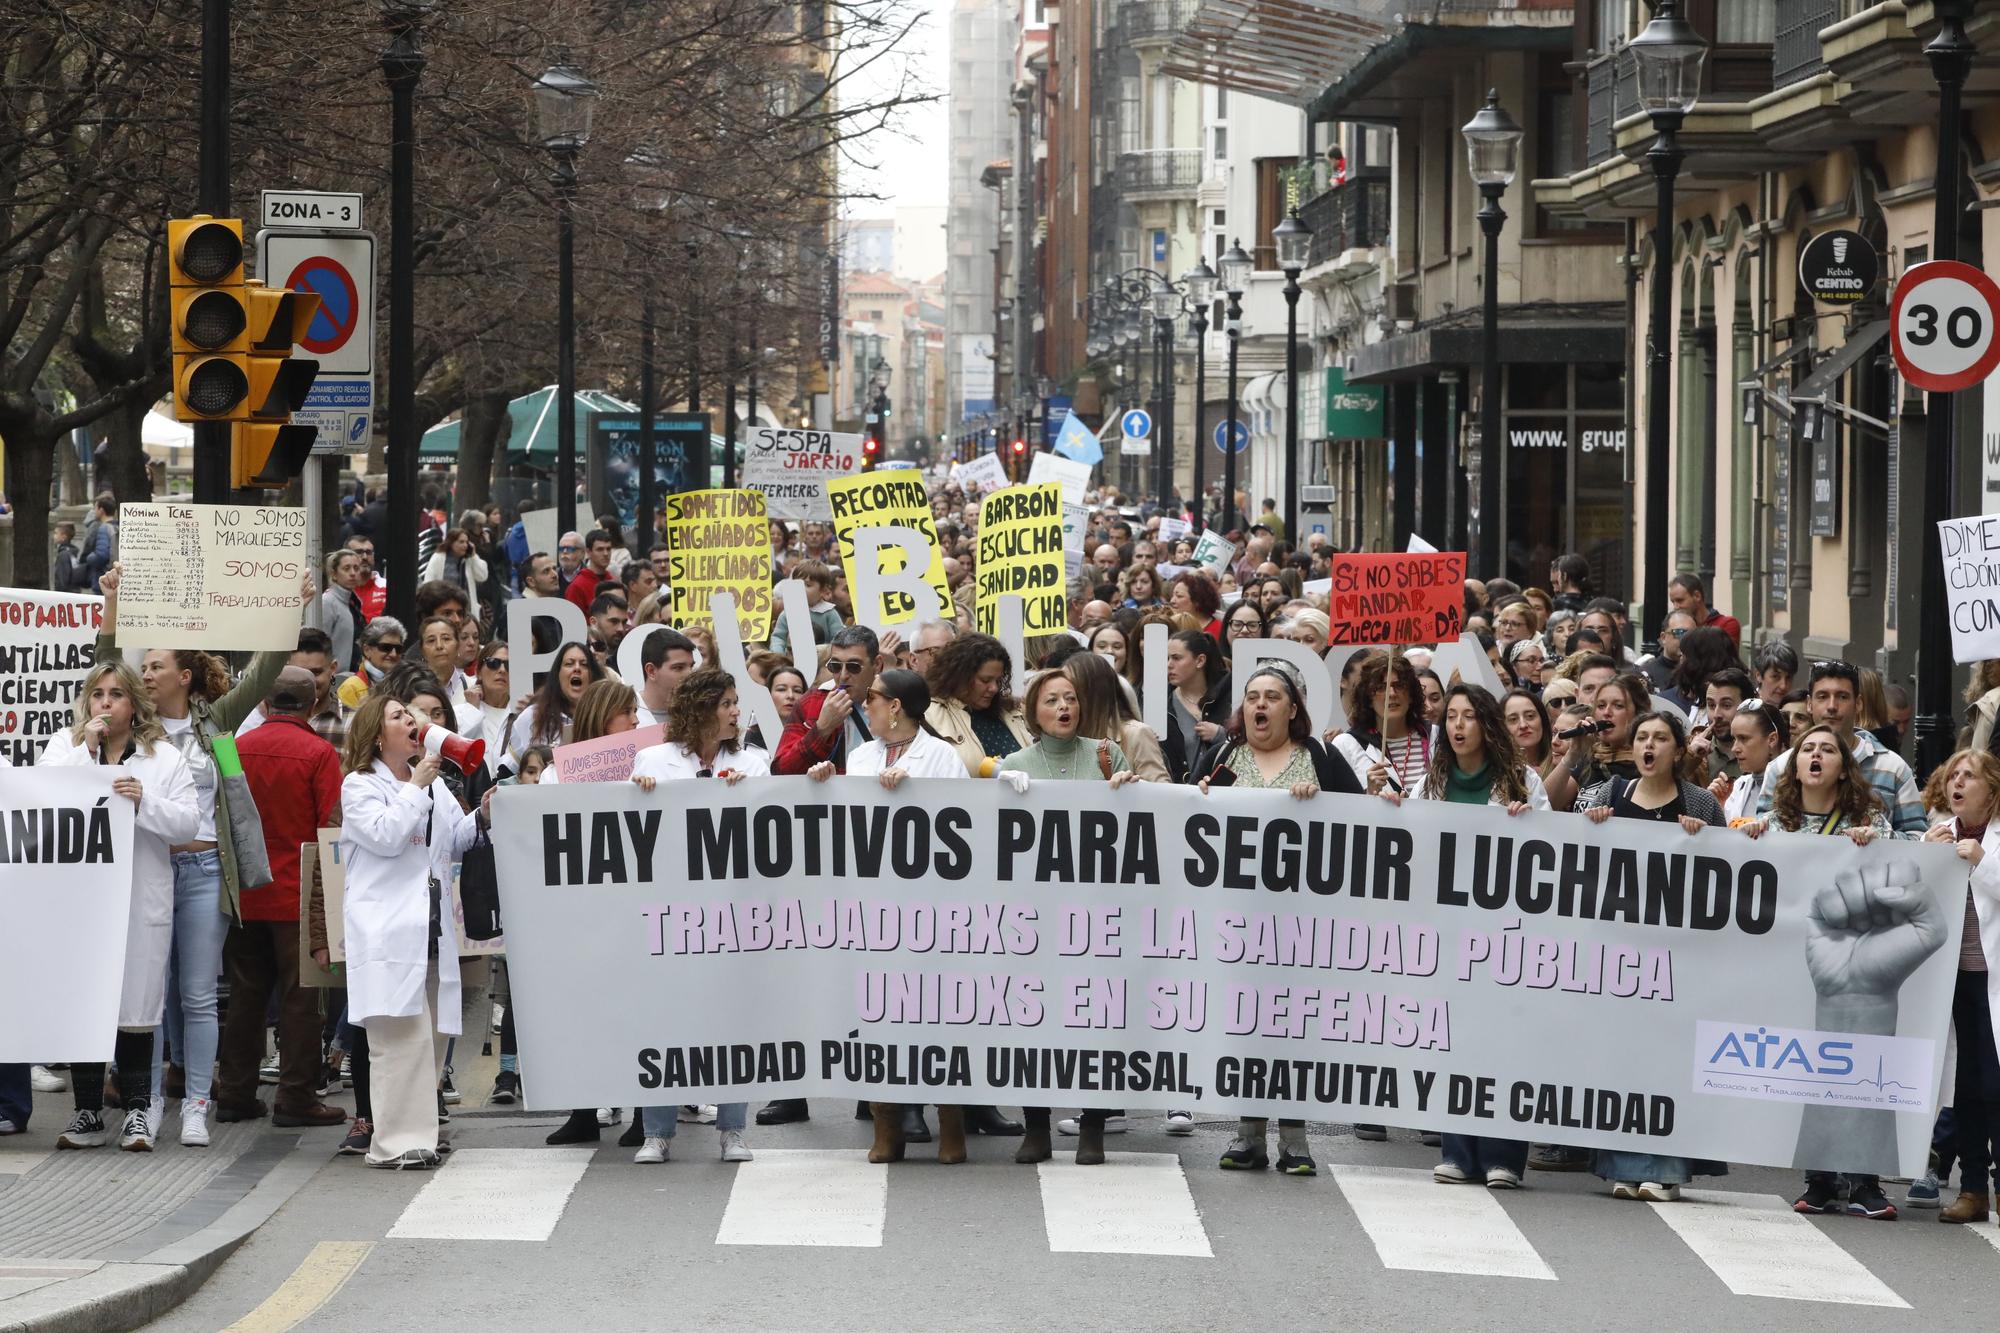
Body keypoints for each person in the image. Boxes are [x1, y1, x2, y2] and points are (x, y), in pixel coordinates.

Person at [102, 564, 301, 1143]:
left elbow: (265, 670)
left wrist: (290, 603)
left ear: (184, 676)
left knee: (196, 992)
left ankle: (194, 1103)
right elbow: (103, 663)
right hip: (151, 868)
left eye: (156, 664)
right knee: (153, 991)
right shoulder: (136, 731)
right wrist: (113, 600)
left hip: (206, 871)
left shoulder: (215, 722)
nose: (145, 671)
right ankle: (152, 1100)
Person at [804, 668, 1000, 1156]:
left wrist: (911, 794)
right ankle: (886, 1123)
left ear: (895, 706)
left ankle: (950, 1124)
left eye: (871, 697)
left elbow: (959, 826)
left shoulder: (940, 756)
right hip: (874, 911)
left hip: (929, 910)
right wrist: (826, 783)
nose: (864, 705)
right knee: (878, 1018)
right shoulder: (861, 755)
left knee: (936, 1016)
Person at [1194, 664, 1362, 1175]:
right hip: (1237, 924)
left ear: (1294, 709)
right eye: (1251, 697)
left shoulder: (1321, 758)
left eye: (1271, 697)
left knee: (1292, 1027)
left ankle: (1294, 1138)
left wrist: (1326, 805)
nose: (1260, 705)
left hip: (1303, 924)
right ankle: (1247, 1135)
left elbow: (1364, 827)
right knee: (1247, 1024)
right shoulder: (1224, 756)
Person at [1739, 722, 1900, 1219]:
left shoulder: (1868, 818)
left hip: (1854, 967)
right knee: (1812, 1068)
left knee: (1858, 1065)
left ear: (1842, 766)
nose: (1815, 756)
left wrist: (1873, 841)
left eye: (1827, 750)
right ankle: (1821, 1179)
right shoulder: (1776, 820)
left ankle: (1865, 1180)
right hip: (1796, 967)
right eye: (1806, 749)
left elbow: (1900, 860)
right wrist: (1750, 836)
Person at [42, 661, 199, 1151]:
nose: (105, 703)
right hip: (80, 901)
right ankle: (87, 1112)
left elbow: (189, 825)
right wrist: (85, 752)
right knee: (85, 1003)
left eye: (115, 695)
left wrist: (144, 801)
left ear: (134, 704)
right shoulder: (63, 748)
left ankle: (136, 1112)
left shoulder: (163, 758)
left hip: (137, 897)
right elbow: (42, 799)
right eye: (97, 695)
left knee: (137, 1006)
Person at [1396, 685, 1548, 1188]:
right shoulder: (1430, 784)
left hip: (1505, 937)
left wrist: (1530, 828)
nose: (1458, 726)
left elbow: (1550, 853)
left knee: (1504, 1043)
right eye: (1451, 717)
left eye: (1468, 716)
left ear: (1486, 724)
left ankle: (1504, 1154)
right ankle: (1458, 1151)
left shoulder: (1522, 782)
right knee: (1454, 1042)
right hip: (1447, 936)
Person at [1577, 710, 1728, 1200]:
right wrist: (1593, 826)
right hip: (1620, 958)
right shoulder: (1610, 796)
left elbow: (1729, 871)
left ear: (1678, 750)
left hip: (1679, 960)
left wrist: (1703, 842)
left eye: (1660, 738)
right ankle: (1622, 1165)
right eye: (1642, 737)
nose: (1648, 746)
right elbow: (1579, 857)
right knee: (1624, 1060)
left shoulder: (1700, 804)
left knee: (1668, 1063)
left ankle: (1664, 1172)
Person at [339, 696, 489, 1170]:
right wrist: (416, 786)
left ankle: (418, 1134)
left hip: (429, 928)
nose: (413, 721)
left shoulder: (432, 787)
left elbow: (453, 842)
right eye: (399, 717)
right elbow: (385, 836)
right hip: (386, 930)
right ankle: (393, 1144)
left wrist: (482, 815)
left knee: (429, 1041)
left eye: (412, 714)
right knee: (397, 1040)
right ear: (377, 736)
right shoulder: (359, 785)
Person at [996, 669, 1139, 1167]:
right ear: (1033, 710)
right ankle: (1036, 1126)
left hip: (1097, 914)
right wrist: (995, 785)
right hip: (1036, 920)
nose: (1064, 707)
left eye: (1071, 699)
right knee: (1037, 1020)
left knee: (1095, 1021)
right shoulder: (1015, 763)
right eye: (1052, 700)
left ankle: (1092, 1126)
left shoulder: (1106, 754)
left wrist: (1128, 789)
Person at [625, 668, 762, 1166]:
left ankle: (732, 1130)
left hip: (734, 915)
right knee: (664, 1021)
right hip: (669, 913)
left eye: (735, 702)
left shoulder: (753, 762)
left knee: (732, 1024)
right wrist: (636, 795)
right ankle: (656, 1132)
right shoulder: (653, 760)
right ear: (702, 708)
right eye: (726, 702)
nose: (734, 712)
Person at [217, 668, 347, 1133]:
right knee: (301, 1001)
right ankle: (295, 1097)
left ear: (266, 704)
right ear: (312, 705)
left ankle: (234, 1092)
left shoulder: (234, 749)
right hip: (299, 894)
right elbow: (331, 830)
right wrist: (331, 906)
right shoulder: (319, 754)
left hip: (245, 894)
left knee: (244, 997)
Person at [1921, 749, 2000, 1223]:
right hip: (1953, 982)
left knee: (1994, 1085)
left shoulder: (1990, 841)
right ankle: (1972, 1190)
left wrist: (1983, 862)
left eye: (1969, 777)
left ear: (1992, 789)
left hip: (1993, 980)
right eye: (1953, 775)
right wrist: (1926, 859)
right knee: (1963, 1088)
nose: (1958, 784)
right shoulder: (1938, 834)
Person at [1753, 659, 1925, 837]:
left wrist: (1879, 840)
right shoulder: (1781, 767)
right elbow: (1764, 840)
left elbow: (1918, 839)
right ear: (1809, 704)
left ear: (1858, 703)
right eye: (1822, 697)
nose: (1832, 706)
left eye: (1842, 697)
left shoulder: (1893, 768)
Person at [922, 631, 1031, 776]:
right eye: (985, 680)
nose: (994, 688)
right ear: (959, 675)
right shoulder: (930, 715)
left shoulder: (1011, 712)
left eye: (998, 681)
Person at [776, 625, 881, 775]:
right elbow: (782, 771)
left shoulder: (896, 699)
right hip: (832, 798)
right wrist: (822, 729)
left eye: (853, 666)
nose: (843, 675)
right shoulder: (812, 702)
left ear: (877, 664)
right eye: (835, 666)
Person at [1544, 671, 1650, 813]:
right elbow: (1546, 804)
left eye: (1618, 706)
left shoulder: (1649, 763)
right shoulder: (1591, 757)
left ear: (1638, 713)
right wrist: (1573, 754)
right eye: (1600, 706)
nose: (1606, 712)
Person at [1335, 651, 1430, 799]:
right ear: (1368, 699)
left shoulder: (1436, 736)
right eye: (1380, 688)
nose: (1391, 693)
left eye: (1399, 685)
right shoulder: (1347, 744)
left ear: (1411, 695)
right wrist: (1369, 794)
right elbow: (1338, 809)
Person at [1067, 649, 1169, 783]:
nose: (1064, 698)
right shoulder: (1065, 735)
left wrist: (1131, 785)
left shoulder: (1137, 734)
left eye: (1069, 689)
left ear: (1091, 692)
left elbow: (1162, 792)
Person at [507, 642, 604, 760]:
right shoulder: (532, 717)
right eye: (569, 664)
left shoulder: (606, 718)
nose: (577, 668)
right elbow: (508, 770)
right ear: (557, 675)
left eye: (584, 664)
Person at [1164, 631, 1230, 783]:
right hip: (1176, 797)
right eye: (1167, 658)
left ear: (1200, 661)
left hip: (1223, 796)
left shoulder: (1229, 697)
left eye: (1176, 658)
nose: (1169, 665)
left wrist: (1221, 735)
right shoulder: (1162, 703)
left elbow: (1250, 745)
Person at [1714, 698, 1788, 825]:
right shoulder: (1737, 787)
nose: (1734, 748)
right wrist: (1717, 807)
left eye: (1743, 738)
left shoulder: (1799, 789)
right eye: (1734, 739)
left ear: (1772, 740)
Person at [769, 561, 844, 657]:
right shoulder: (788, 613)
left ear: (823, 591)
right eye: (797, 583)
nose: (801, 588)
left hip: (822, 661)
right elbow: (779, 637)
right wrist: (778, 654)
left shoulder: (829, 613)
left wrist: (825, 651)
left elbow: (839, 640)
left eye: (808, 585)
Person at [423, 527, 490, 623]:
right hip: (444, 609)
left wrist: (474, 555)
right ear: (451, 542)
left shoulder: (469, 560)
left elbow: (482, 576)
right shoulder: (439, 558)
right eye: (461, 542)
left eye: (467, 542)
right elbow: (428, 584)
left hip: (466, 611)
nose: (465, 545)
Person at [339, 617, 408, 710]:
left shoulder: (407, 683)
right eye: (385, 647)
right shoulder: (351, 688)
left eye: (398, 649)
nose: (393, 654)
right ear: (367, 650)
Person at [1669, 572, 1740, 647]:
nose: (1676, 607)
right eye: (1673, 602)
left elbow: (1722, 655)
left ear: (1697, 596)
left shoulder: (1727, 624)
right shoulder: (1676, 626)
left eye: (1680, 600)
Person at [1501, 688, 1551, 770]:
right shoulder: (1496, 772)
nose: (1523, 725)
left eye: (1530, 716)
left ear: (1543, 719)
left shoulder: (1563, 762)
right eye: (1513, 719)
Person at [1168, 572, 1223, 640]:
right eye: (1172, 595)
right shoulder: (1169, 626)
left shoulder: (1219, 630)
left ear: (1197, 601)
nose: (1172, 601)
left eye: (1179, 596)